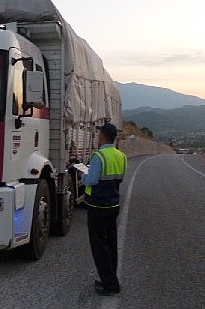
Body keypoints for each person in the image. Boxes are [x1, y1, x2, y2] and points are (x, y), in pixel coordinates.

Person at [81, 122, 127, 296]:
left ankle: (109, 285)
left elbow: (92, 180)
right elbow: (120, 178)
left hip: (97, 206)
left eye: (99, 133)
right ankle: (110, 279)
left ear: (102, 136)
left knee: (99, 246)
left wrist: (82, 175)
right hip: (113, 205)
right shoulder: (121, 156)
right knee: (111, 244)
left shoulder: (98, 157)